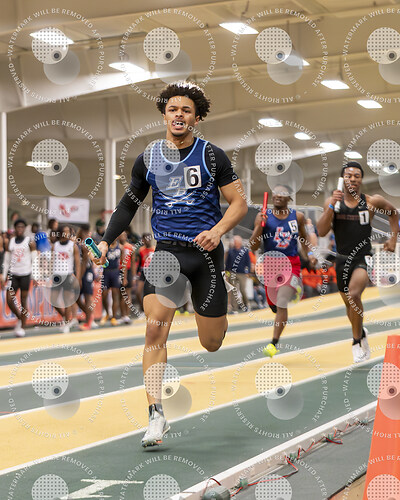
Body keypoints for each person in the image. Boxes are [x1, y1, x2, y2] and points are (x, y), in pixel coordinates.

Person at [90, 81, 247, 448]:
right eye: (173, 109)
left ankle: (217, 303)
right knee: (154, 331)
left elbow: (239, 203)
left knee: (211, 342)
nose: (179, 115)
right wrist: (105, 239)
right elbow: (128, 205)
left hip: (206, 255)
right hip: (166, 255)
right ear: (164, 115)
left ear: (196, 118)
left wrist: (218, 230)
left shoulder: (212, 156)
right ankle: (155, 414)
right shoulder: (148, 159)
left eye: (186, 110)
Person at [317, 161, 399, 362]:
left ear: (361, 179)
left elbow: (393, 213)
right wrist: (331, 206)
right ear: (342, 179)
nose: (352, 179)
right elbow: (321, 231)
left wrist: (393, 238)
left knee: (354, 294)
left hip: (363, 257)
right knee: (349, 305)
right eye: (348, 175)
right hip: (341, 259)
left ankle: (356, 342)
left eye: (356, 176)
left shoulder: (372, 201)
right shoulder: (333, 203)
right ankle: (360, 332)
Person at [250, 185, 314, 357]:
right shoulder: (263, 216)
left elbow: (304, 239)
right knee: (274, 304)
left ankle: (273, 343)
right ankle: (277, 304)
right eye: (275, 193)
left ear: (289, 198)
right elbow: (253, 246)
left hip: (291, 264)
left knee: (281, 302)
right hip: (270, 264)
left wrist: (311, 255)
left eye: (282, 193)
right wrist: (259, 226)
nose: (278, 195)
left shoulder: (297, 217)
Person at [0, 219, 36, 337]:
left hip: (25, 274)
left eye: (22, 227)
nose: (20, 229)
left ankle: (22, 326)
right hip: (13, 274)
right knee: (9, 300)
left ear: (24, 228)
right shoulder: (10, 242)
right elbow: (6, 260)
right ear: (15, 228)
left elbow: (34, 259)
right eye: (18, 227)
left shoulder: (29, 241)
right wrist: (3, 276)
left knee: (23, 300)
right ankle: (20, 318)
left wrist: (36, 275)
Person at [51, 225, 81, 334]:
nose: (67, 233)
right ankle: (65, 317)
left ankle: (67, 323)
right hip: (57, 275)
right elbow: (52, 261)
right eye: (65, 231)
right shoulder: (55, 246)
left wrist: (78, 278)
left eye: (68, 231)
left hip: (68, 275)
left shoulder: (73, 246)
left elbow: (77, 263)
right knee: (53, 300)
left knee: (67, 301)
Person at [76, 224, 97, 330]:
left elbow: (85, 262)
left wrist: (79, 278)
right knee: (76, 297)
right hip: (78, 271)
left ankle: (88, 322)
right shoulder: (76, 242)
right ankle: (90, 316)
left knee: (88, 296)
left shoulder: (88, 243)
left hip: (86, 271)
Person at [100, 239, 124, 326]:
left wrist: (123, 276)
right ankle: (107, 313)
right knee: (104, 294)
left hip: (115, 272)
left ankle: (113, 317)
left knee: (115, 294)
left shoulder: (120, 247)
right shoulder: (105, 247)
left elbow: (123, 262)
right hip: (106, 272)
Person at [225, 235, 251, 312]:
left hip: (242, 273)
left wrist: (248, 271)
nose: (235, 243)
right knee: (234, 291)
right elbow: (228, 262)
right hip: (232, 273)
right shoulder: (230, 251)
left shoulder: (245, 251)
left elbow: (248, 262)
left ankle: (246, 304)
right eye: (234, 241)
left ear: (240, 242)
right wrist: (227, 272)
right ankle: (234, 308)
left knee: (243, 289)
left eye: (236, 241)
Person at [119, 231, 135, 324]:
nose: (123, 237)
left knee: (127, 294)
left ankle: (127, 315)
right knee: (120, 294)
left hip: (128, 271)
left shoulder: (130, 247)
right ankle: (122, 315)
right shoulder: (117, 247)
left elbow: (133, 262)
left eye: (124, 235)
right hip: (119, 271)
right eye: (121, 235)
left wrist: (133, 276)